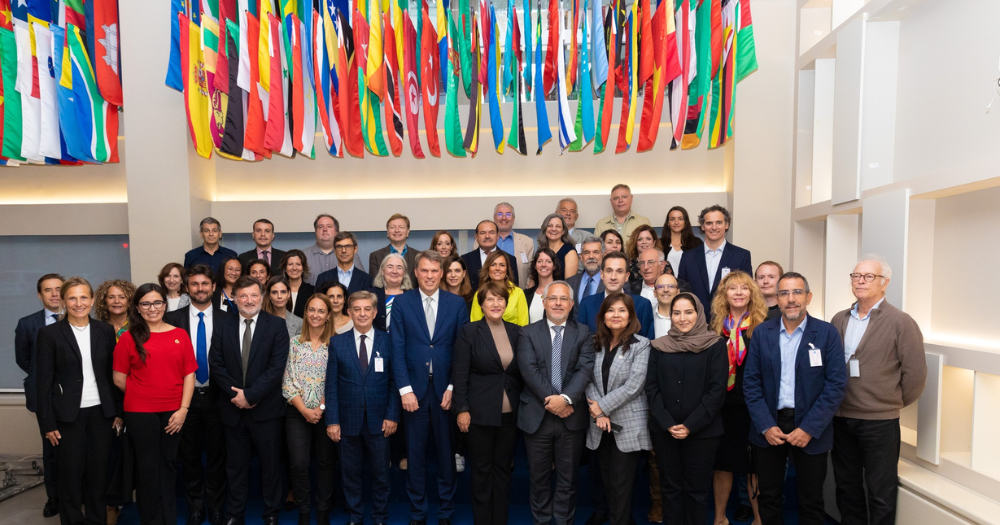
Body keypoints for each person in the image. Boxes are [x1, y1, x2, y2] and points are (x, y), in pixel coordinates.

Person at [743, 272, 847, 525]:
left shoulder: (826, 333)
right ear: (776, 299)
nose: (791, 299)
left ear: (808, 297)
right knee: (768, 497)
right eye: (785, 293)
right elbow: (751, 383)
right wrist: (766, 425)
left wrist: (809, 429)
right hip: (770, 426)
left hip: (811, 427)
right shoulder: (761, 333)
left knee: (811, 500)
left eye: (797, 292)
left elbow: (835, 385)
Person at [830, 256, 927, 525]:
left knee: (880, 493)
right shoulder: (839, 319)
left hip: (879, 422)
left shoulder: (901, 322)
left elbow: (915, 376)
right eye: (856, 276)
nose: (860, 281)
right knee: (847, 489)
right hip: (840, 418)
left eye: (868, 276)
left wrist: (887, 402)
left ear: (884, 283)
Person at [390, 251, 469, 525]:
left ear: (442, 272)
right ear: (416, 272)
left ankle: (446, 513)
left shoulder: (457, 304)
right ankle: (418, 513)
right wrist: (405, 390)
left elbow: (462, 351)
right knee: (415, 457)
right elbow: (396, 349)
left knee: (447, 458)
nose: (430, 276)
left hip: (445, 393)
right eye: (424, 270)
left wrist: (452, 387)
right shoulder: (401, 303)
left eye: (435, 271)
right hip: (415, 394)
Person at [35, 277, 120, 525]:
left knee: (98, 475)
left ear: (93, 300)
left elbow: (110, 373)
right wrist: (47, 423)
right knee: (70, 477)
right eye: (72, 298)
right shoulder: (49, 334)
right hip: (66, 417)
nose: (78, 303)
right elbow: (44, 383)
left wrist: (117, 410)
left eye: (84, 297)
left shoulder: (104, 330)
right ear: (63, 301)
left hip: (101, 414)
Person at [209, 276, 291, 525]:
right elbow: (216, 364)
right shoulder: (222, 324)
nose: (248, 300)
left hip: (266, 410)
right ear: (234, 298)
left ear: (262, 296)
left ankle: (271, 513)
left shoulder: (276, 326)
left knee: (270, 466)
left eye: (254, 295)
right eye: (243, 296)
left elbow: (277, 368)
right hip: (233, 410)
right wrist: (238, 396)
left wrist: (251, 395)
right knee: (235, 467)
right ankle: (235, 513)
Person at [112, 283, 197, 525]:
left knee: (168, 466)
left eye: (157, 302)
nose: (153, 308)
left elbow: (189, 375)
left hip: (174, 412)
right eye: (146, 303)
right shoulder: (129, 338)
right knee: (147, 469)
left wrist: (183, 410)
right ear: (137, 308)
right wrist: (144, 394)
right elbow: (118, 378)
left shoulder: (180, 334)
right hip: (140, 414)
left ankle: (168, 519)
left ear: (165, 304)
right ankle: (151, 520)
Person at [646, 293, 727, 525]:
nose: (682, 318)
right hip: (665, 432)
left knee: (697, 491)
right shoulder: (659, 346)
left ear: (699, 313)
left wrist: (690, 426)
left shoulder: (715, 345)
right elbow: (651, 389)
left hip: (703, 433)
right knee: (669, 489)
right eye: (677, 313)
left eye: (688, 312)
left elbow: (717, 391)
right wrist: (667, 423)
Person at [517, 281, 594, 525]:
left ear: (572, 304)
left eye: (563, 299)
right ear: (543, 302)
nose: (558, 303)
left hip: (571, 418)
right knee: (538, 478)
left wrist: (566, 399)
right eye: (553, 298)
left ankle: (563, 521)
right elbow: (528, 370)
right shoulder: (527, 332)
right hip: (536, 416)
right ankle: (541, 521)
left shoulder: (584, 333)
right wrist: (555, 401)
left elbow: (585, 370)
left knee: (568, 479)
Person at [326, 291, 401, 525]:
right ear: (349, 312)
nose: (362, 313)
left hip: (380, 421)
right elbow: (332, 385)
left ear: (375, 312)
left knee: (381, 474)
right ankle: (355, 516)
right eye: (356, 309)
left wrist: (392, 415)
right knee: (350, 474)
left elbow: (395, 382)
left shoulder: (388, 341)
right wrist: (332, 420)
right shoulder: (337, 342)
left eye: (367, 309)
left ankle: (380, 516)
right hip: (347, 421)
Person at [164, 265, 230, 525]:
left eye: (205, 284)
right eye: (194, 284)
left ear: (214, 287)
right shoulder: (172, 320)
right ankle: (195, 507)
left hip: (218, 397)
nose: (200, 288)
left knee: (217, 457)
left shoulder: (228, 318)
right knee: (189, 456)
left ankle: (216, 507)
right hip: (184, 399)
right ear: (186, 288)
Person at [453, 281, 523, 525]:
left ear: (506, 303)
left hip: (510, 415)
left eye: (500, 299)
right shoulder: (469, 331)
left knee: (503, 470)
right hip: (478, 414)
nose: (496, 304)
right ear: (481, 305)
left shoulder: (517, 332)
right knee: (482, 472)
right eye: (490, 300)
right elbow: (460, 374)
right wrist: (461, 410)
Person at [585, 293, 651, 525]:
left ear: (631, 316)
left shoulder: (641, 345)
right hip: (599, 425)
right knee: (606, 482)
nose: (616, 315)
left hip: (628, 424)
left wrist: (601, 407)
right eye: (610, 310)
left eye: (622, 310)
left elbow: (634, 385)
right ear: (603, 316)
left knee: (621, 485)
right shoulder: (594, 343)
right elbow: (586, 378)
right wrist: (599, 413)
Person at [709, 272, 767, 525]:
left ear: (752, 293)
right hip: (724, 406)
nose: (739, 292)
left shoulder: (763, 326)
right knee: (723, 464)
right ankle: (720, 518)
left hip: (755, 406)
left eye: (745, 288)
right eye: (733, 288)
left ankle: (758, 518)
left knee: (755, 465)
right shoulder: (715, 328)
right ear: (724, 294)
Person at [282, 293, 338, 525]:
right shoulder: (295, 342)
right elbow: (288, 381)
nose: (316, 315)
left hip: (327, 413)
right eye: (312, 310)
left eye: (321, 311)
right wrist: (304, 409)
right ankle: (304, 509)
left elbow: (335, 380)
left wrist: (321, 407)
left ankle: (323, 510)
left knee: (325, 462)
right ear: (305, 313)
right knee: (298, 462)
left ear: (328, 316)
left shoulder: (335, 343)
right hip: (297, 412)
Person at [15, 273, 64, 518]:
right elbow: (24, 360)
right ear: (39, 294)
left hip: (77, 397)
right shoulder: (27, 324)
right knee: (52, 450)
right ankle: (54, 499)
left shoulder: (82, 319)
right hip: (45, 398)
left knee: (81, 449)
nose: (54, 294)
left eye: (58, 289)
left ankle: (81, 494)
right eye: (48, 290)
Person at [677, 205, 753, 318]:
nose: (714, 227)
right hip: (695, 321)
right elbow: (682, 291)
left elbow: (747, 290)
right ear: (702, 226)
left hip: (729, 321)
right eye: (709, 223)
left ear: (726, 225)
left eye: (719, 222)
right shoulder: (688, 257)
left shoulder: (741, 256)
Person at [577, 252, 655, 339]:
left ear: (627, 276)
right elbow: (581, 342)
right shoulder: (587, 304)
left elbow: (648, 344)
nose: (613, 277)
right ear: (602, 274)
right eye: (609, 271)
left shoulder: (642, 305)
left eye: (619, 271)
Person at [470, 251, 530, 326]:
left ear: (507, 270)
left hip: (513, 337)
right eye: (493, 265)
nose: (497, 268)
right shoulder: (480, 293)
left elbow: (523, 325)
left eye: (502, 265)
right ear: (488, 269)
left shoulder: (518, 293)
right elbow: (475, 325)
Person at [303, 214, 364, 285]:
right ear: (315, 231)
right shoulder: (304, 255)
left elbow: (361, 281)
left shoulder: (351, 255)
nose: (325, 229)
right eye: (320, 227)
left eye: (329, 226)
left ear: (337, 231)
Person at [461, 220, 519, 289]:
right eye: (482, 233)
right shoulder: (465, 259)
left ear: (498, 236)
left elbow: (513, 287)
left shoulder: (510, 259)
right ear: (476, 237)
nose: (487, 236)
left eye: (491, 232)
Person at [493, 202, 536, 288]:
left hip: (518, 293)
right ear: (494, 218)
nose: (504, 218)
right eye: (500, 214)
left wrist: (526, 294)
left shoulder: (527, 242)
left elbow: (531, 273)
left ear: (513, 219)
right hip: (490, 294)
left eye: (508, 214)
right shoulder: (483, 241)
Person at [370, 213, 419, 283]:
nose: (397, 230)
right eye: (392, 227)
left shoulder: (418, 256)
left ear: (408, 232)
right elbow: (375, 283)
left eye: (401, 227)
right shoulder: (375, 256)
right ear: (387, 232)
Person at [370, 253, 413, 332]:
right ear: (382, 271)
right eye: (390, 267)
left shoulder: (413, 297)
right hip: (378, 342)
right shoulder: (371, 294)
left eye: (399, 267)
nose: (394, 271)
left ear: (404, 273)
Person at [661, 206, 703, 279]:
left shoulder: (696, 243)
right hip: (665, 286)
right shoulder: (659, 243)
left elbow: (701, 268)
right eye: (672, 219)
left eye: (680, 219)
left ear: (685, 222)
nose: (676, 222)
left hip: (689, 286)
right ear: (668, 223)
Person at [537, 213, 579, 281]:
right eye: (550, 226)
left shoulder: (570, 252)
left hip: (560, 291)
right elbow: (533, 277)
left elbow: (569, 283)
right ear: (545, 229)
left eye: (558, 226)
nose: (553, 229)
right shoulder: (540, 250)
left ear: (563, 231)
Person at [566, 237, 605, 306]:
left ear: (603, 255)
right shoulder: (569, 283)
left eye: (596, 252)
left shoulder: (612, 282)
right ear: (581, 257)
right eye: (586, 253)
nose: (591, 256)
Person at [525, 249, 559, 324]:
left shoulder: (561, 292)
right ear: (535, 266)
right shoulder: (526, 294)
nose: (543, 264)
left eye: (548, 261)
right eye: (539, 261)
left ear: (554, 266)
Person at [625, 225, 662, 290]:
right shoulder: (627, 265)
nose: (644, 242)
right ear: (635, 243)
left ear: (654, 242)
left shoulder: (663, 263)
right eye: (640, 239)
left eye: (648, 239)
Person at [281, 249, 315, 318]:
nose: (294, 268)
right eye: (290, 264)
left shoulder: (312, 291)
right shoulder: (279, 290)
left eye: (298, 264)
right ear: (285, 268)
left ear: (303, 268)